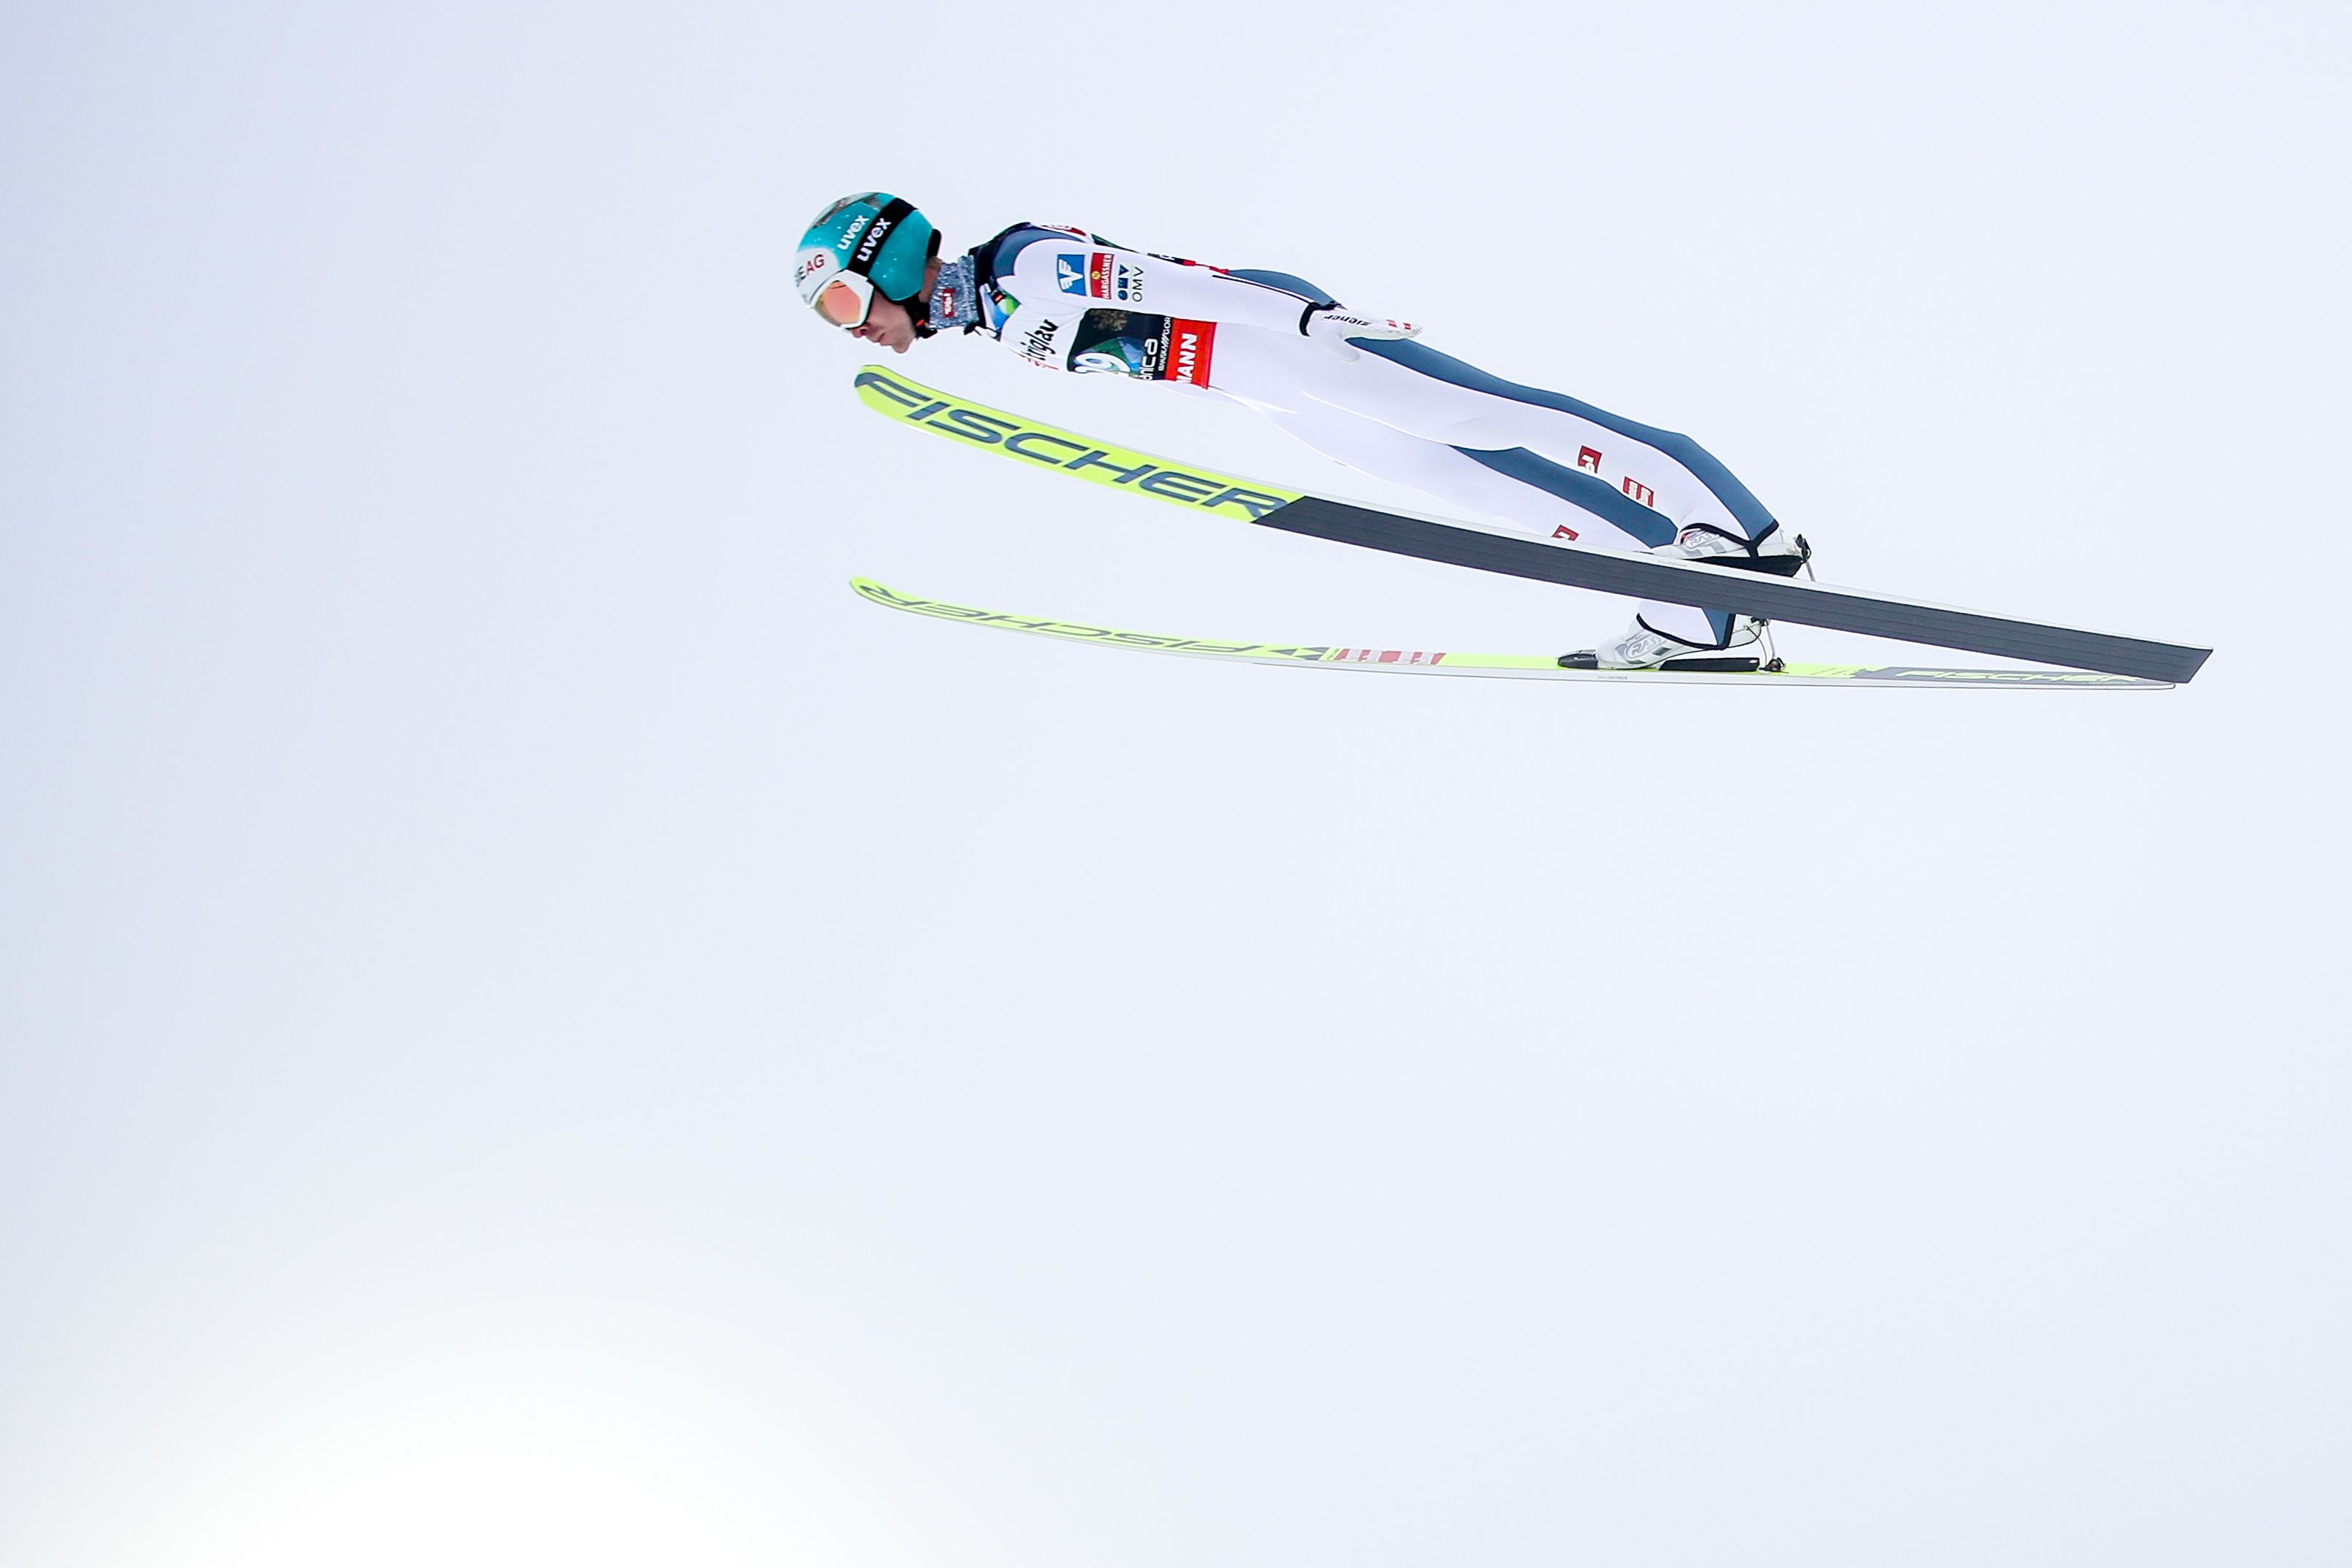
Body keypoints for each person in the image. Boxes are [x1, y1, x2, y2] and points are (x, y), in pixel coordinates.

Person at [793, 192, 1811, 668]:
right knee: (1470, 487)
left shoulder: (1021, 264)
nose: (863, 335)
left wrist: (1311, 323)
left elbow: (1179, 288)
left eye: (846, 306)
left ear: (883, 259)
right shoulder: (996, 317)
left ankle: (1740, 534)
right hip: (1259, 387)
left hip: (1279, 337)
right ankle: (1691, 608)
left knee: (1490, 414)